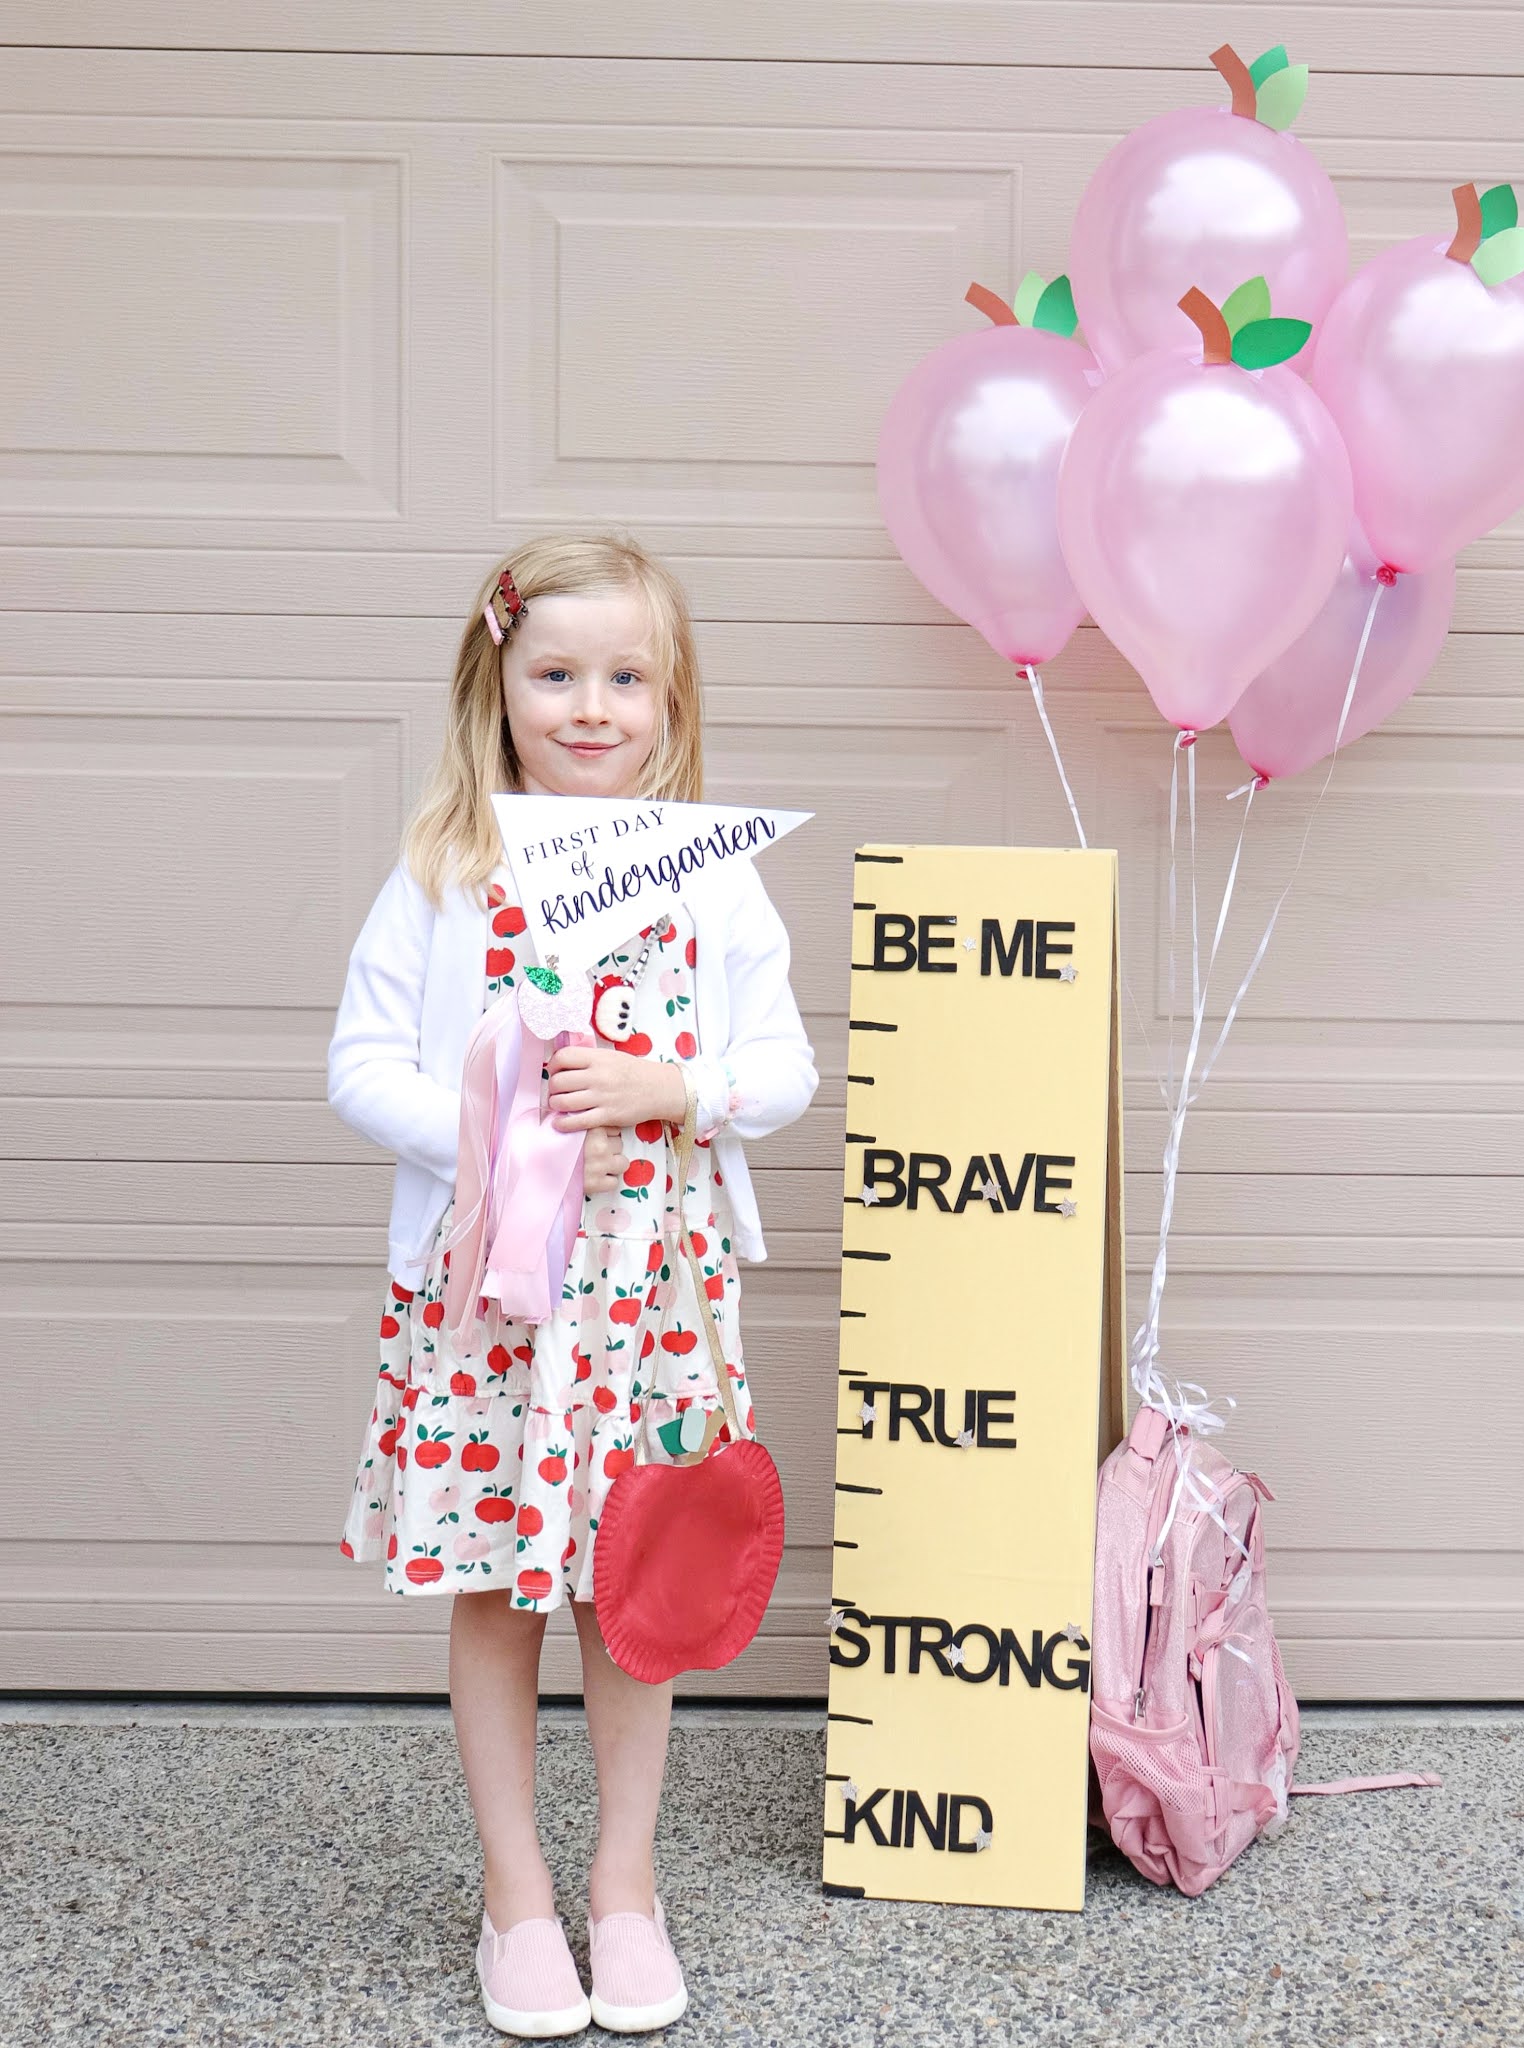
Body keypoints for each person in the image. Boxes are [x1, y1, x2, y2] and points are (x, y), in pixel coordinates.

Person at [328, 532, 817, 2037]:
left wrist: (681, 1084)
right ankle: (516, 1899)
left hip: (650, 1310)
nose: (590, 706)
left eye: (624, 677)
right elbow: (359, 1068)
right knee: (499, 1589)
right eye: (555, 675)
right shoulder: (445, 877)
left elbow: (783, 1070)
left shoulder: (714, 883)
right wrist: (488, 1130)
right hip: (496, 1301)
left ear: (670, 701)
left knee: (634, 1591)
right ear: (499, 684)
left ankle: (624, 1886)